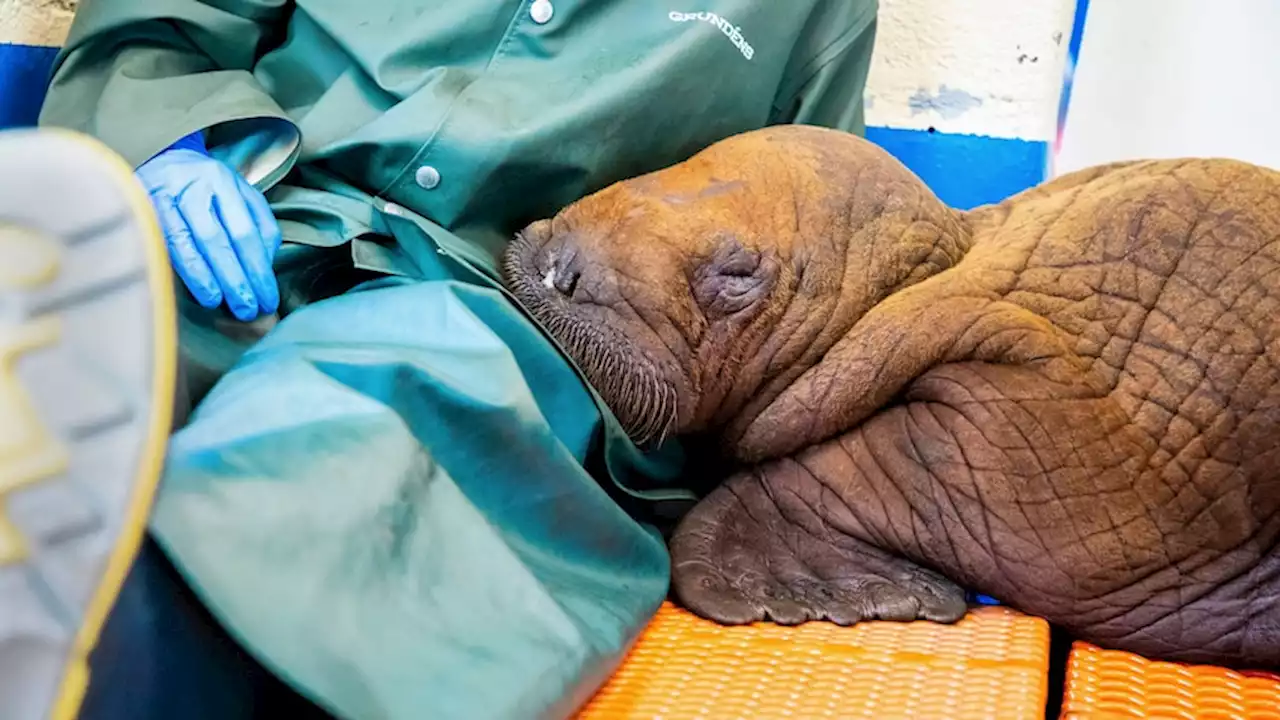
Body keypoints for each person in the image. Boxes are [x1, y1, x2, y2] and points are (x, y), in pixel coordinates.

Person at [8, 1, 879, 717]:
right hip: (260, 216)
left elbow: (815, 247)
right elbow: (159, 24)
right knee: (95, 312)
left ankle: (138, 654)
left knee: (367, 399)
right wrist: (170, 145)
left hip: (526, 312)